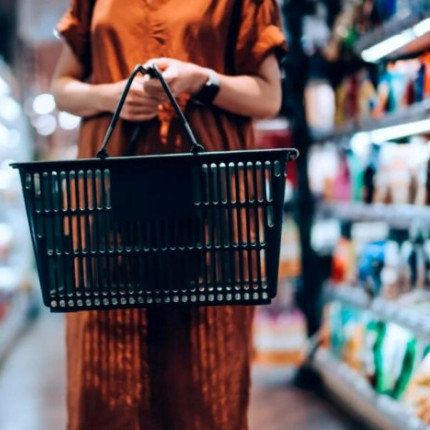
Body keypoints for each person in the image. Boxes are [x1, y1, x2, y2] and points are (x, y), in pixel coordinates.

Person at [52, 1, 286, 429]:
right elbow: (62, 88)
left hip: (211, 209)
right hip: (107, 208)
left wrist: (202, 80)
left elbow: (269, 95)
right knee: (103, 377)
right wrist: (113, 96)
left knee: (203, 377)